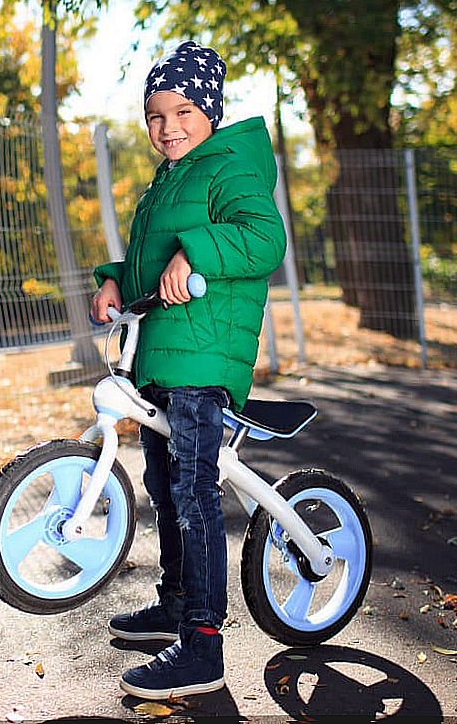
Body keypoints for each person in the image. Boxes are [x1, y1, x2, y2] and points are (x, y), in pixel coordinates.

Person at [89, 40, 287, 699]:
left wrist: (196, 252)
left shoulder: (229, 167)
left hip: (203, 356)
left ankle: (202, 644)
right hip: (161, 352)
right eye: (154, 115)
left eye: (182, 111)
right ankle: (175, 604)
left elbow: (263, 239)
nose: (167, 126)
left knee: (194, 492)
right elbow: (156, 261)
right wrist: (116, 280)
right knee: (166, 489)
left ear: (209, 110)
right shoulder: (168, 178)